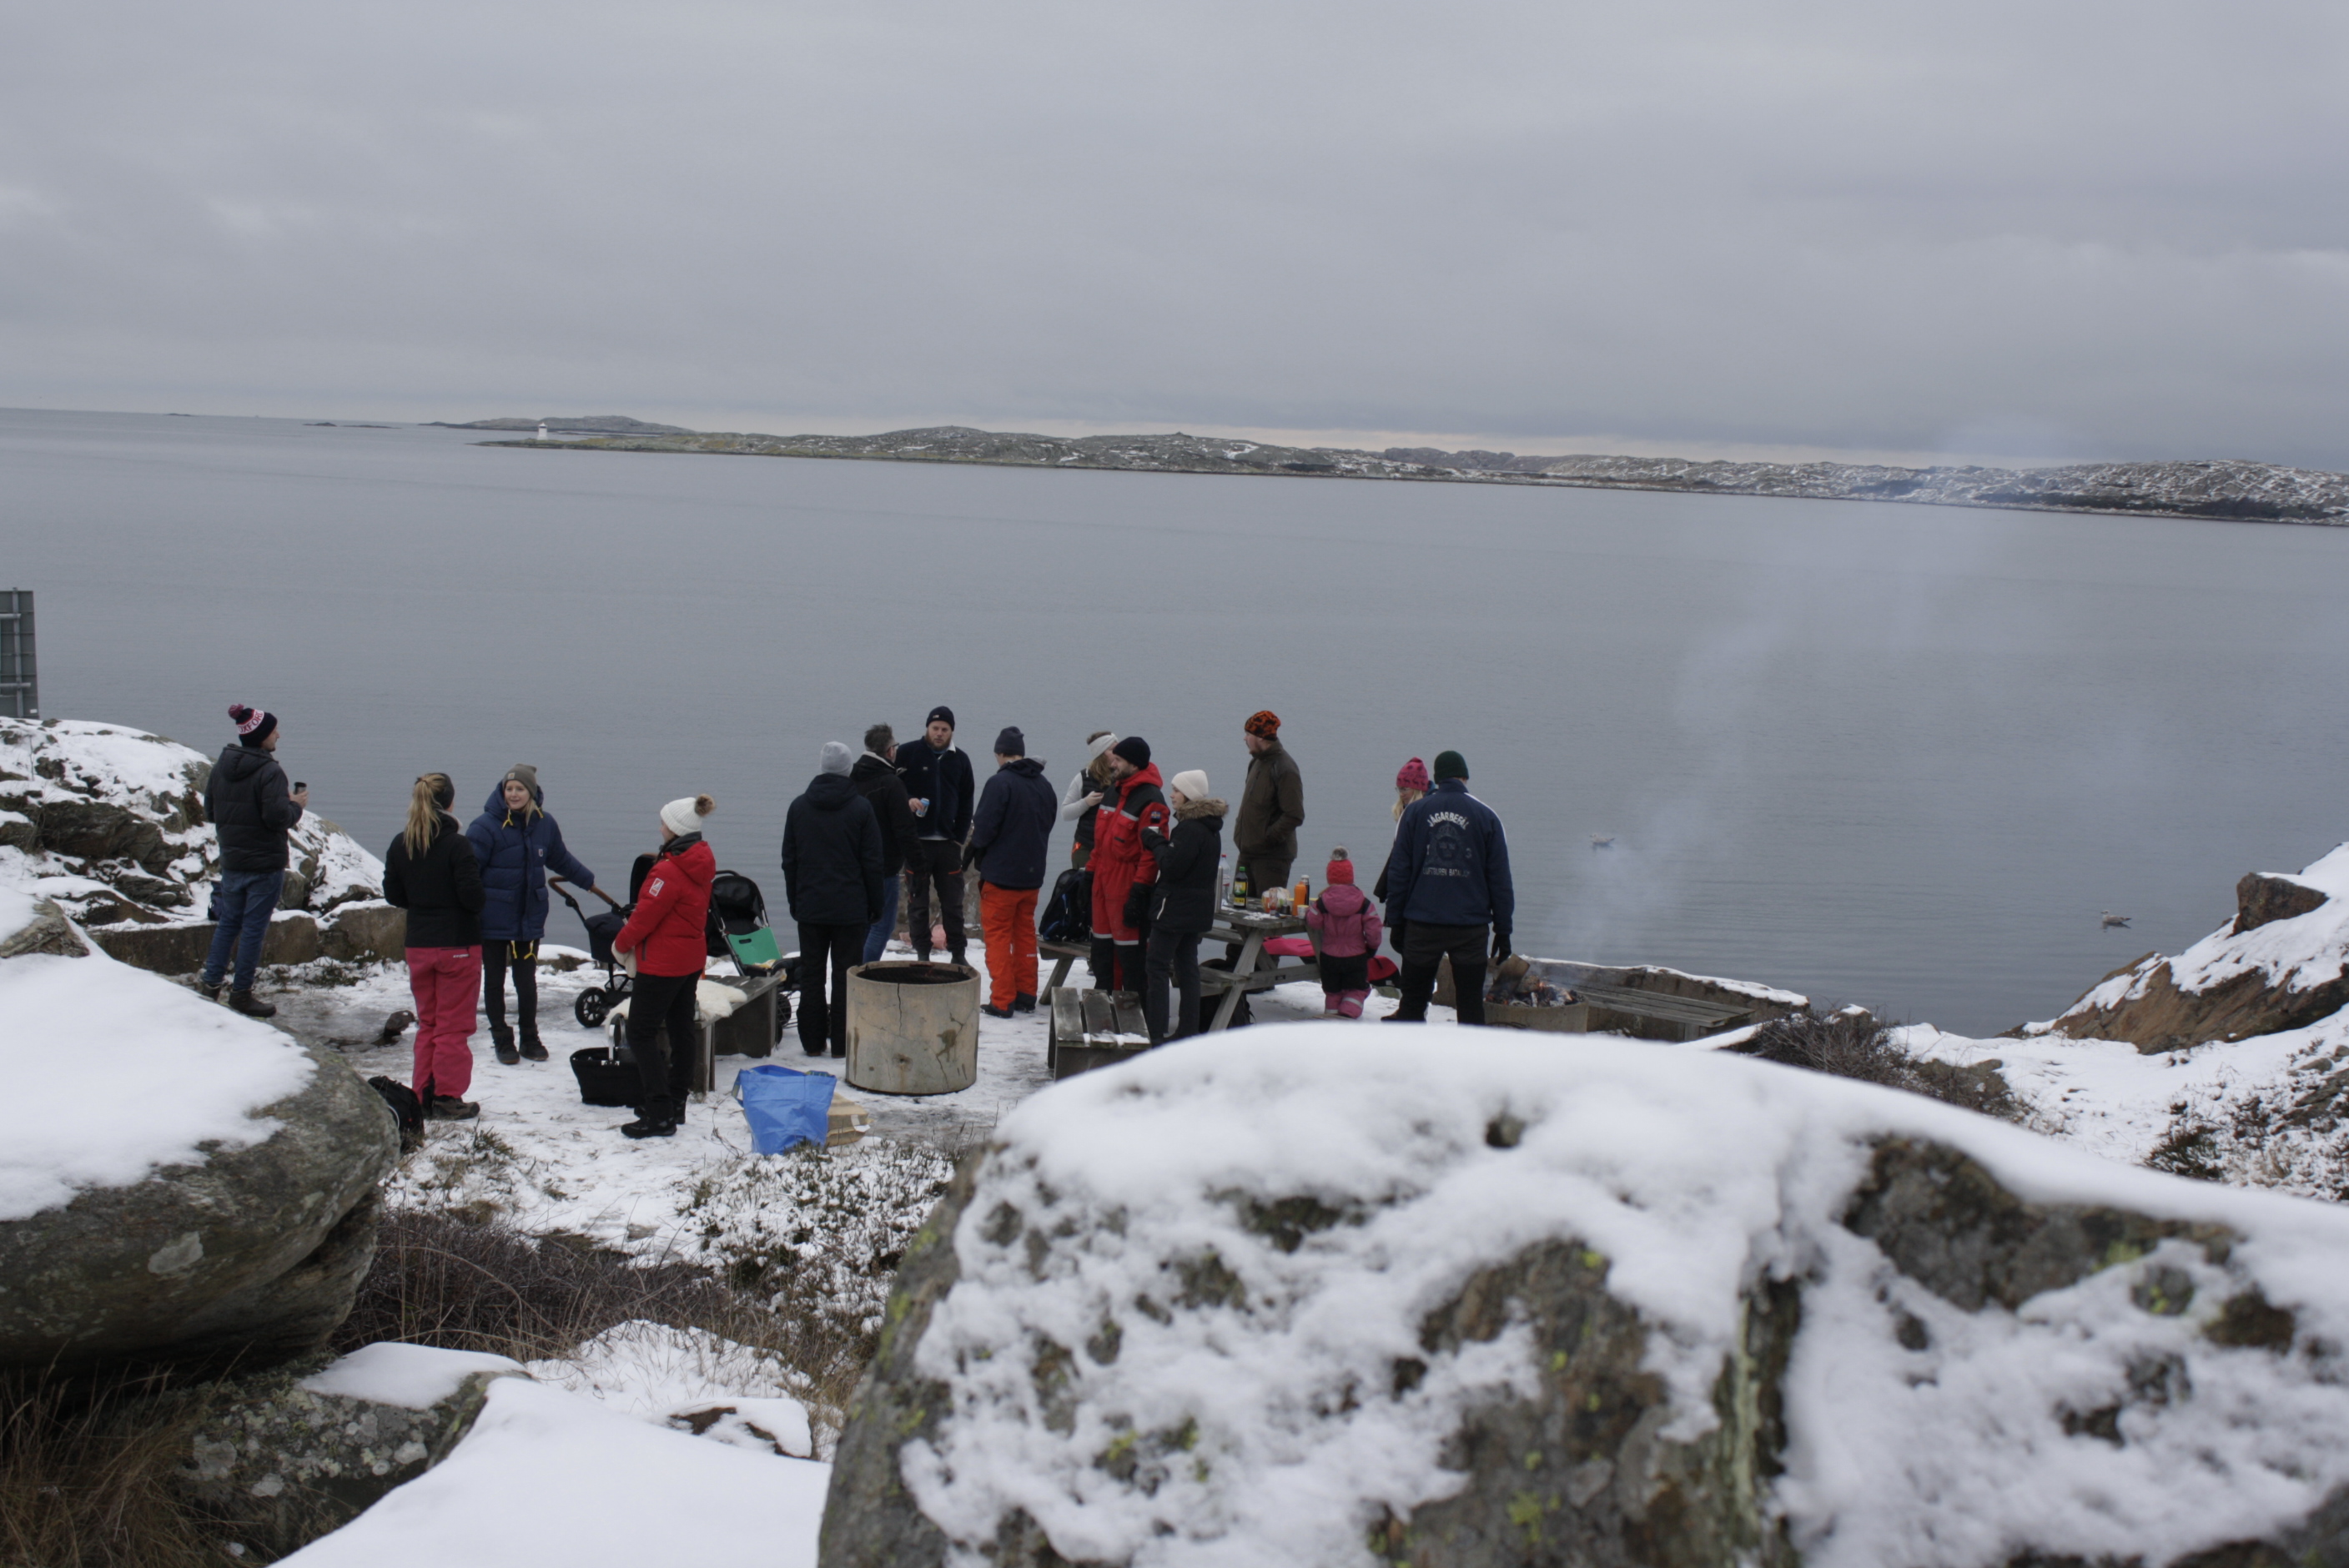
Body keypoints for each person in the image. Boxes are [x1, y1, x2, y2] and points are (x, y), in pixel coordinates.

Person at [465, 765, 606, 1066]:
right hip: (493, 919)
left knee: (526, 980)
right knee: (494, 980)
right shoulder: (484, 827)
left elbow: (559, 858)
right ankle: (502, 1039)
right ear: (502, 792)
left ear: (531, 793)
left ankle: (530, 1038)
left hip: (528, 917)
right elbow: (468, 875)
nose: (513, 794)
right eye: (509, 789)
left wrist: (587, 881)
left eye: (519, 789)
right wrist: (470, 914)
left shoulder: (544, 823)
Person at [611, 794, 717, 1138]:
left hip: (662, 963)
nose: (660, 827)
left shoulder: (668, 871)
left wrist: (620, 944)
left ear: (674, 829)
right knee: (681, 1027)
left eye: (663, 823)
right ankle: (675, 1103)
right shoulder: (700, 860)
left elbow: (644, 918)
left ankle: (658, 1112)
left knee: (640, 1031)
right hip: (689, 959)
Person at [1381, 751, 1513, 1026]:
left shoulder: (1414, 812)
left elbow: (1399, 872)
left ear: (1437, 778)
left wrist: (1395, 920)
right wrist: (1503, 929)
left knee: (1413, 1002)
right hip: (1470, 928)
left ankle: (1410, 1062)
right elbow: (1499, 878)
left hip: (1422, 924)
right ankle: (1469, 1063)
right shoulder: (1487, 816)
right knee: (1470, 1002)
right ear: (1465, 777)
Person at [382, 773, 485, 1119]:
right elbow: (472, 898)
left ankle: (422, 1093)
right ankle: (447, 1096)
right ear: (450, 803)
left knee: (429, 1023)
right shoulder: (457, 844)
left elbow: (394, 895)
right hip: (457, 944)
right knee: (453, 1026)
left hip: (419, 945)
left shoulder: (401, 843)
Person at [199, 702, 308, 1017]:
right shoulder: (270, 770)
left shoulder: (222, 765)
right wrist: (296, 806)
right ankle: (241, 994)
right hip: (264, 863)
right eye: (274, 730)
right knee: (253, 929)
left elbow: (210, 812)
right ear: (261, 736)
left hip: (232, 859)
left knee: (229, 923)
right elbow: (277, 819)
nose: (278, 735)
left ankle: (209, 987)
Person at [782, 744, 883, 1057]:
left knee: (812, 975)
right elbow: (872, 862)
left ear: (822, 767)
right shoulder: (861, 808)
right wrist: (875, 904)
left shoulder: (799, 807)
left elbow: (790, 861)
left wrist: (795, 901)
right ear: (848, 768)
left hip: (811, 906)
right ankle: (842, 1043)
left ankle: (812, 1042)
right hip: (850, 908)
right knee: (845, 976)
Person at [967, 726, 1059, 1019]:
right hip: (1031, 877)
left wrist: (974, 854)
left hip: (1002, 876)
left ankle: (1002, 1001)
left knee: (997, 938)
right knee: (1024, 937)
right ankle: (1026, 995)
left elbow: (984, 827)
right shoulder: (1044, 784)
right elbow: (1048, 823)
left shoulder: (1000, 783)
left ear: (999, 754)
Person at [1140, 769, 1223, 1043]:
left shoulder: (1189, 828)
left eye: (1176, 790)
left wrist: (1155, 842)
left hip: (1174, 909)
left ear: (1188, 795)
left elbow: (1171, 867)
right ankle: (1188, 1030)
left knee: (1157, 965)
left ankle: (1155, 1031)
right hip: (1197, 909)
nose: (1172, 795)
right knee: (1188, 968)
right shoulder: (1210, 828)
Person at [1089, 736, 1168, 994]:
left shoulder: (1151, 800)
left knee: (1130, 959)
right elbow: (1099, 843)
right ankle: (1102, 1011)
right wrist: (1088, 874)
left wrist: (1139, 891)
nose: (1112, 762)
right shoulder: (1113, 791)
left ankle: (1135, 1016)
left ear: (1133, 764)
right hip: (1102, 885)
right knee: (1101, 953)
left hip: (1126, 888)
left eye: (1119, 759)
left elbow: (1151, 853)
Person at [896, 706, 974, 965]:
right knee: (917, 904)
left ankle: (958, 954)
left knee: (953, 904)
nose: (939, 734)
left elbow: (966, 803)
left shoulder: (960, 760)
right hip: (916, 843)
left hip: (948, 844)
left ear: (952, 732)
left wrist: (958, 838)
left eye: (945, 729)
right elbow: (891, 788)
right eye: (935, 728)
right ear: (927, 728)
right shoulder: (907, 754)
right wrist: (907, 800)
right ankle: (922, 954)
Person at [850, 725, 918, 964]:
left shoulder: (852, 777)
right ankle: (860, 977)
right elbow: (904, 829)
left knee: (864, 926)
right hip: (884, 866)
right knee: (881, 926)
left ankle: (850, 975)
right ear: (890, 751)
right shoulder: (891, 783)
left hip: (855, 864)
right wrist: (916, 864)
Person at [1305, 848, 1383, 1019]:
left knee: (1333, 993)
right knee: (1357, 990)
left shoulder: (1323, 902)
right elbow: (1374, 929)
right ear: (1351, 876)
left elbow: (1313, 921)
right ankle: (1348, 1014)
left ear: (1330, 877)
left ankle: (1331, 1018)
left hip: (1329, 957)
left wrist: (1310, 909)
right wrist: (1372, 947)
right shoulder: (1363, 903)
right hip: (1356, 956)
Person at [1235, 710, 1305, 899]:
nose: (1244, 738)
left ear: (1260, 737)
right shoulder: (1256, 763)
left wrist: (1266, 840)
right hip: (1247, 853)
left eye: (1248, 734)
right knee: (1239, 913)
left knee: (1265, 918)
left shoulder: (1285, 769)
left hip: (1272, 859)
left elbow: (1294, 815)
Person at [1373, 757, 1431, 902]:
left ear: (1418, 789)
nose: (1401, 793)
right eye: (1399, 789)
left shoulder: (1423, 815)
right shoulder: (1406, 812)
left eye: (1405, 789)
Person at [1059, 731, 1119, 869]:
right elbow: (1065, 813)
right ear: (1101, 754)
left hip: (1115, 847)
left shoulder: (1125, 776)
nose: (1118, 752)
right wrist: (1086, 803)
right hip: (1086, 846)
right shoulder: (1083, 777)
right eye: (1112, 749)